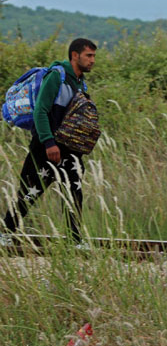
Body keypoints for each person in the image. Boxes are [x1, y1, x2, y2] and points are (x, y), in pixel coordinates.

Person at [1, 38, 97, 247]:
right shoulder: (56, 77)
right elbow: (41, 111)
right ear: (75, 55)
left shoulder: (80, 82)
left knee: (74, 190)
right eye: (88, 56)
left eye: (93, 56)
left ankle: (74, 240)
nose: (92, 60)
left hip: (69, 149)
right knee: (30, 192)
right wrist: (48, 142)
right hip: (46, 146)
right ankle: (5, 232)